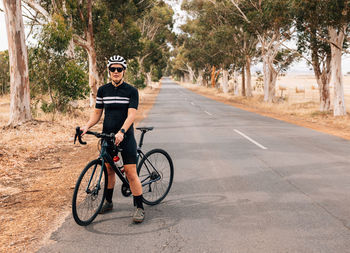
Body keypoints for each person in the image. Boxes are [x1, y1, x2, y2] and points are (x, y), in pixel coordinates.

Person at [81, 55, 145, 223]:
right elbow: (97, 113)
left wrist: (122, 131)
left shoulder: (131, 91)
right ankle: (108, 202)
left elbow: (132, 115)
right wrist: (87, 126)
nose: (116, 72)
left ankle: (139, 207)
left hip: (125, 136)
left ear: (124, 71)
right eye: (112, 69)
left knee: (131, 173)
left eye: (119, 69)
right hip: (107, 136)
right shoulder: (103, 90)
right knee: (109, 170)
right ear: (109, 70)